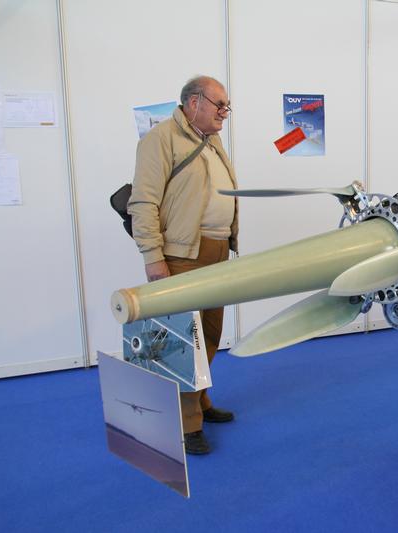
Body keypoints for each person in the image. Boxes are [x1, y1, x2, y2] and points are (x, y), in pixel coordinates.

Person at [128, 75, 239, 455]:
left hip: (217, 252)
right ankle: (187, 422)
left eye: (227, 106)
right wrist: (153, 258)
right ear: (194, 102)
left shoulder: (211, 139)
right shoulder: (160, 139)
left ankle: (200, 401)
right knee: (183, 343)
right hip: (182, 255)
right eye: (219, 105)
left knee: (209, 334)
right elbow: (143, 202)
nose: (225, 112)